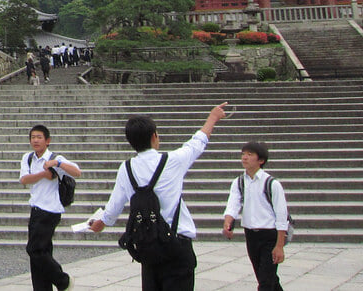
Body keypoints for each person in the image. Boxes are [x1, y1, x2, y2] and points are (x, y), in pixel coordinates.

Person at [90, 103, 228, 291]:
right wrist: (212, 117)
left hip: (148, 247)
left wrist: (101, 223)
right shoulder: (172, 161)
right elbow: (197, 143)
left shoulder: (127, 168)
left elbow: (113, 207)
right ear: (154, 136)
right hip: (177, 245)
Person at [20, 124, 81, 291]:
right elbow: (24, 179)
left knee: (34, 249)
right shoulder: (28, 158)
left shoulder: (55, 158)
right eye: (33, 137)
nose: (35, 140)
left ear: (47, 141)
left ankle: (63, 281)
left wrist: (58, 163)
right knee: (41, 253)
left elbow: (77, 172)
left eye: (39, 137)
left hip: (50, 210)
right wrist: (43, 174)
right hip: (36, 209)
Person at [223, 141, 289, 291]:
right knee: (266, 276)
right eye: (243, 154)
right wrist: (228, 222)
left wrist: (279, 246)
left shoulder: (272, 184)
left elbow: (281, 216)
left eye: (250, 154)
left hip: (269, 235)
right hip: (251, 235)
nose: (244, 158)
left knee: (265, 282)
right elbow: (233, 204)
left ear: (261, 160)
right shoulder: (239, 182)